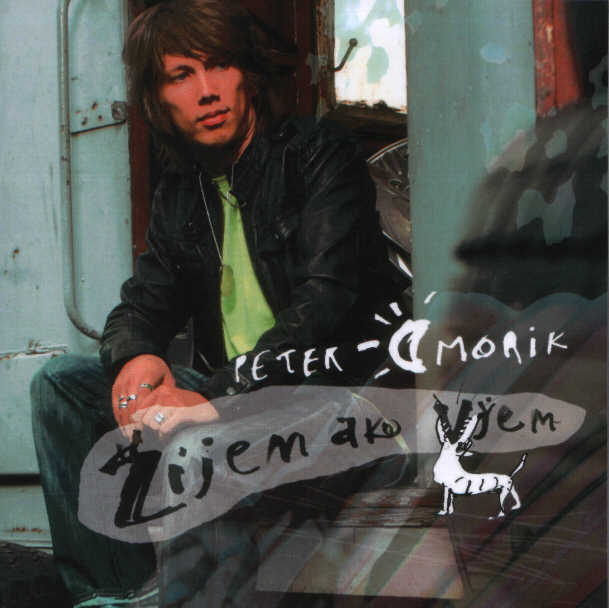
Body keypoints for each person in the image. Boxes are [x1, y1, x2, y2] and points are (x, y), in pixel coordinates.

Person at [31, 1, 407, 606]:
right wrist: (134, 357)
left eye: (220, 65)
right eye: (181, 75)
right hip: (234, 392)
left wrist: (212, 395)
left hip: (335, 394)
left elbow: (324, 306)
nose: (206, 91)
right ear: (159, 100)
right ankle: (110, 595)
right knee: (59, 385)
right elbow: (142, 304)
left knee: (194, 440)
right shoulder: (183, 192)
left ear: (246, 76)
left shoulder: (316, 153)